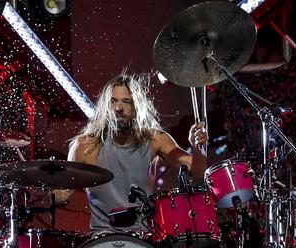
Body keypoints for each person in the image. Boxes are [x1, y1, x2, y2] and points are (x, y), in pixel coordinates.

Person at [55, 73, 208, 234]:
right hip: (101, 241)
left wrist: (197, 147)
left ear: (136, 106)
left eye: (125, 101)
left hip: (145, 239)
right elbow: (63, 195)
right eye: (112, 101)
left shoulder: (155, 139)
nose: (118, 108)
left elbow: (197, 173)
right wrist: (39, 185)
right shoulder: (83, 146)